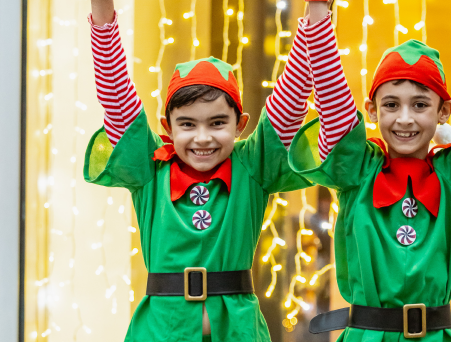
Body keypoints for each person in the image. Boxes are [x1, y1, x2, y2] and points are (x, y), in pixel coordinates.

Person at [83, 0, 323, 340]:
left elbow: (292, 94)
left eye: (217, 123)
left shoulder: (251, 165)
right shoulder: (149, 167)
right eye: (187, 124)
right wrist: (102, 11)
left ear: (240, 125)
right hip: (161, 332)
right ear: (167, 127)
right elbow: (116, 96)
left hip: (238, 331)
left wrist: (315, 13)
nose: (202, 137)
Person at [289, 0, 451, 340]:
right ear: (371, 110)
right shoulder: (357, 168)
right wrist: (317, 12)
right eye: (390, 104)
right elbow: (332, 97)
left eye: (420, 104)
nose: (404, 118)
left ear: (444, 111)